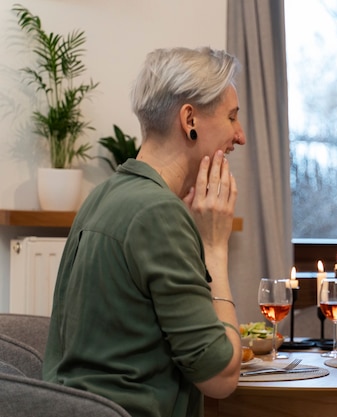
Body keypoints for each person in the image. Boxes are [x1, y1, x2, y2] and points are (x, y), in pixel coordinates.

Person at [43, 47, 246, 417]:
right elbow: (220, 377)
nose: (240, 135)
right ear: (190, 120)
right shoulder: (157, 212)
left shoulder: (104, 195)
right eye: (232, 117)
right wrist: (213, 246)